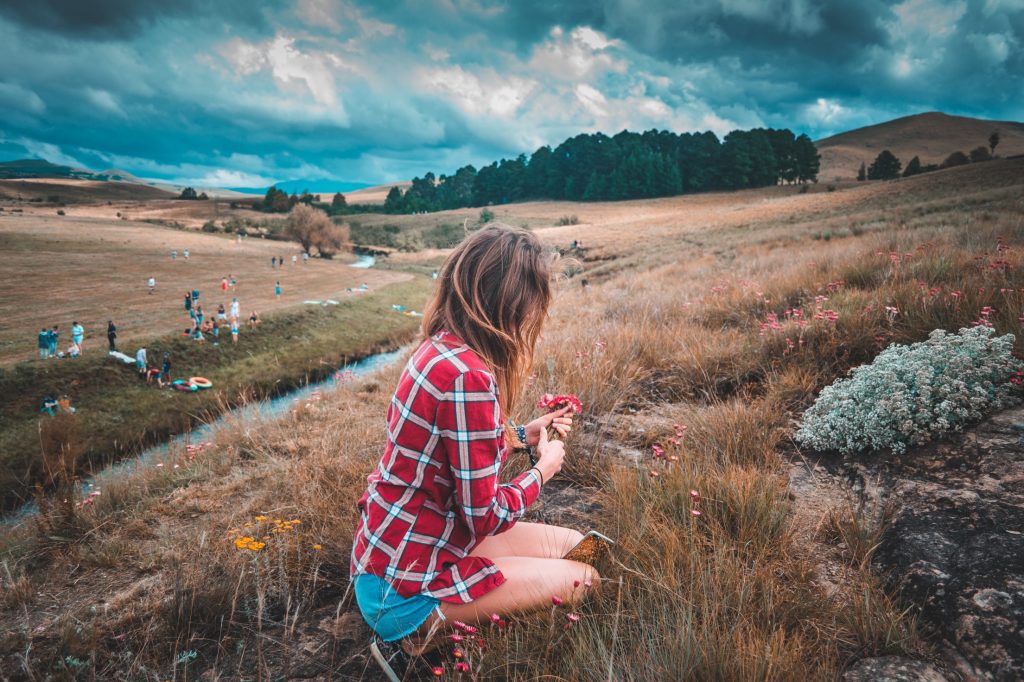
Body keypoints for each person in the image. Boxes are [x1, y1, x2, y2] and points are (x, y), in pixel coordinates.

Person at [350, 225, 591, 675]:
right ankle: (416, 640)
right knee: (585, 578)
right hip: (407, 589)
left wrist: (522, 435)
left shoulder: (439, 350)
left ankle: (444, 620)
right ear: (509, 301)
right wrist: (543, 470)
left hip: (403, 556)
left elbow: (453, 456)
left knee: (579, 547)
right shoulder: (469, 377)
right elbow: (482, 515)